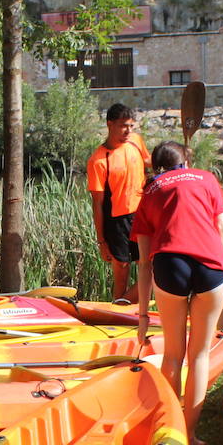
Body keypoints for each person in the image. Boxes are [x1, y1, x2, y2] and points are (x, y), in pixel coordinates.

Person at [132, 141, 223, 445]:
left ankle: (168, 432)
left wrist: (143, 316)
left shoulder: (149, 191)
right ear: (185, 160)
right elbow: (222, 230)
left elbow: (145, 263)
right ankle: (188, 436)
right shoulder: (207, 178)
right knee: (199, 356)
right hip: (211, 265)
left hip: (170, 265)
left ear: (154, 167)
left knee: (174, 355)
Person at [86, 103, 150, 304]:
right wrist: (101, 242)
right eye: (123, 126)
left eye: (131, 126)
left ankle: (135, 310)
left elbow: (149, 162)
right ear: (110, 124)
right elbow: (97, 204)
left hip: (142, 214)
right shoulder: (98, 160)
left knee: (149, 265)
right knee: (121, 269)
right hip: (116, 220)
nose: (128, 131)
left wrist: (180, 162)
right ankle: (118, 309)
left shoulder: (135, 142)